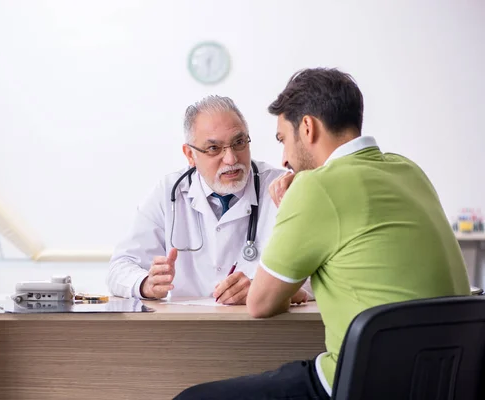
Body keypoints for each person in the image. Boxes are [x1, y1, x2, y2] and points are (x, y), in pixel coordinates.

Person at [174, 68, 471, 399]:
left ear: (307, 127)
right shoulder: (408, 170)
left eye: (283, 139)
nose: (284, 158)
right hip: (447, 380)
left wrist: (292, 208)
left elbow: (260, 303)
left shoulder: (316, 186)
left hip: (361, 383)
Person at [106, 95, 312, 304]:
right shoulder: (169, 193)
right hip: (189, 331)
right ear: (190, 155)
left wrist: (265, 289)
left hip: (264, 330)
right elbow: (119, 268)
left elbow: (317, 278)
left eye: (239, 142)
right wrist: (145, 284)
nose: (231, 159)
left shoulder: (283, 187)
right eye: (214, 148)